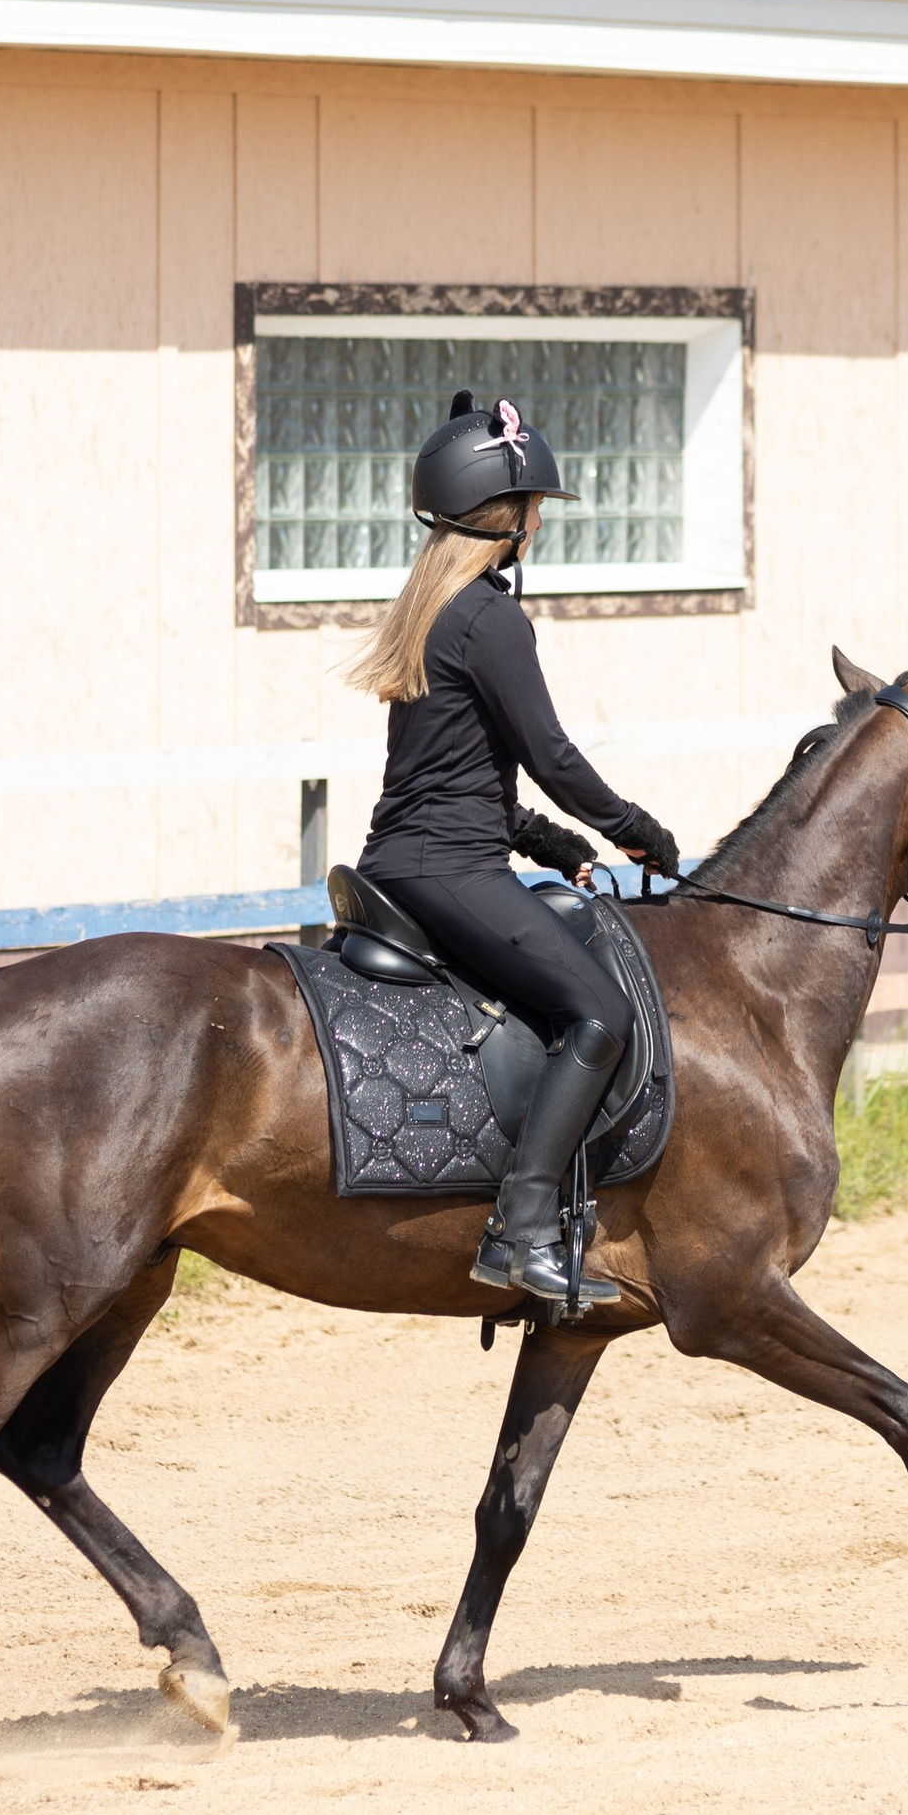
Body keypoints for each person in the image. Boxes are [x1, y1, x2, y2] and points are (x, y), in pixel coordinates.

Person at [352, 390, 682, 1315]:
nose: (541, 522)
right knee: (601, 1014)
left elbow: (456, 769)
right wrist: (632, 827)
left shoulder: (434, 608)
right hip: (449, 869)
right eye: (537, 506)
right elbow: (550, 754)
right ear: (512, 516)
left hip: (412, 858)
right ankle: (522, 1229)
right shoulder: (494, 619)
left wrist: (549, 839)